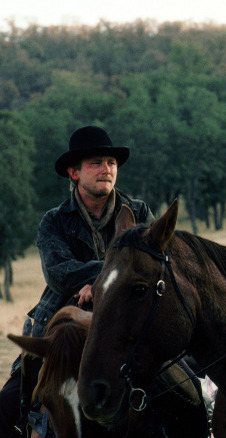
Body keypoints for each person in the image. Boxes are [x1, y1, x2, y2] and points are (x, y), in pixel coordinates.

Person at [0, 126, 156, 437]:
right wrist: (108, 275)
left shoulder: (138, 212)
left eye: (111, 162)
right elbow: (60, 273)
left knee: (190, 387)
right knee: (7, 406)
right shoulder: (55, 220)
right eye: (96, 163)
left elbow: (153, 265)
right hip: (63, 316)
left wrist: (100, 283)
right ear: (74, 173)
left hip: (131, 315)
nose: (106, 169)